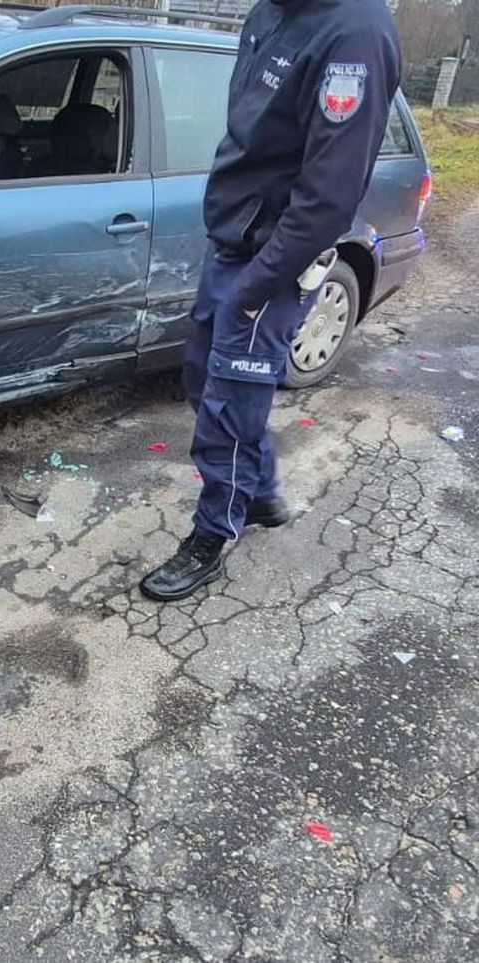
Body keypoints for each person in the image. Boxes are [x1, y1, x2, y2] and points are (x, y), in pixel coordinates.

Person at [140, 0, 402, 601]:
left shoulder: (355, 30)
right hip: (233, 240)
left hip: (274, 263)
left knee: (228, 407)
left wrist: (257, 287)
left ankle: (213, 533)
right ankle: (257, 495)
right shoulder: (269, 12)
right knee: (206, 382)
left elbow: (330, 192)